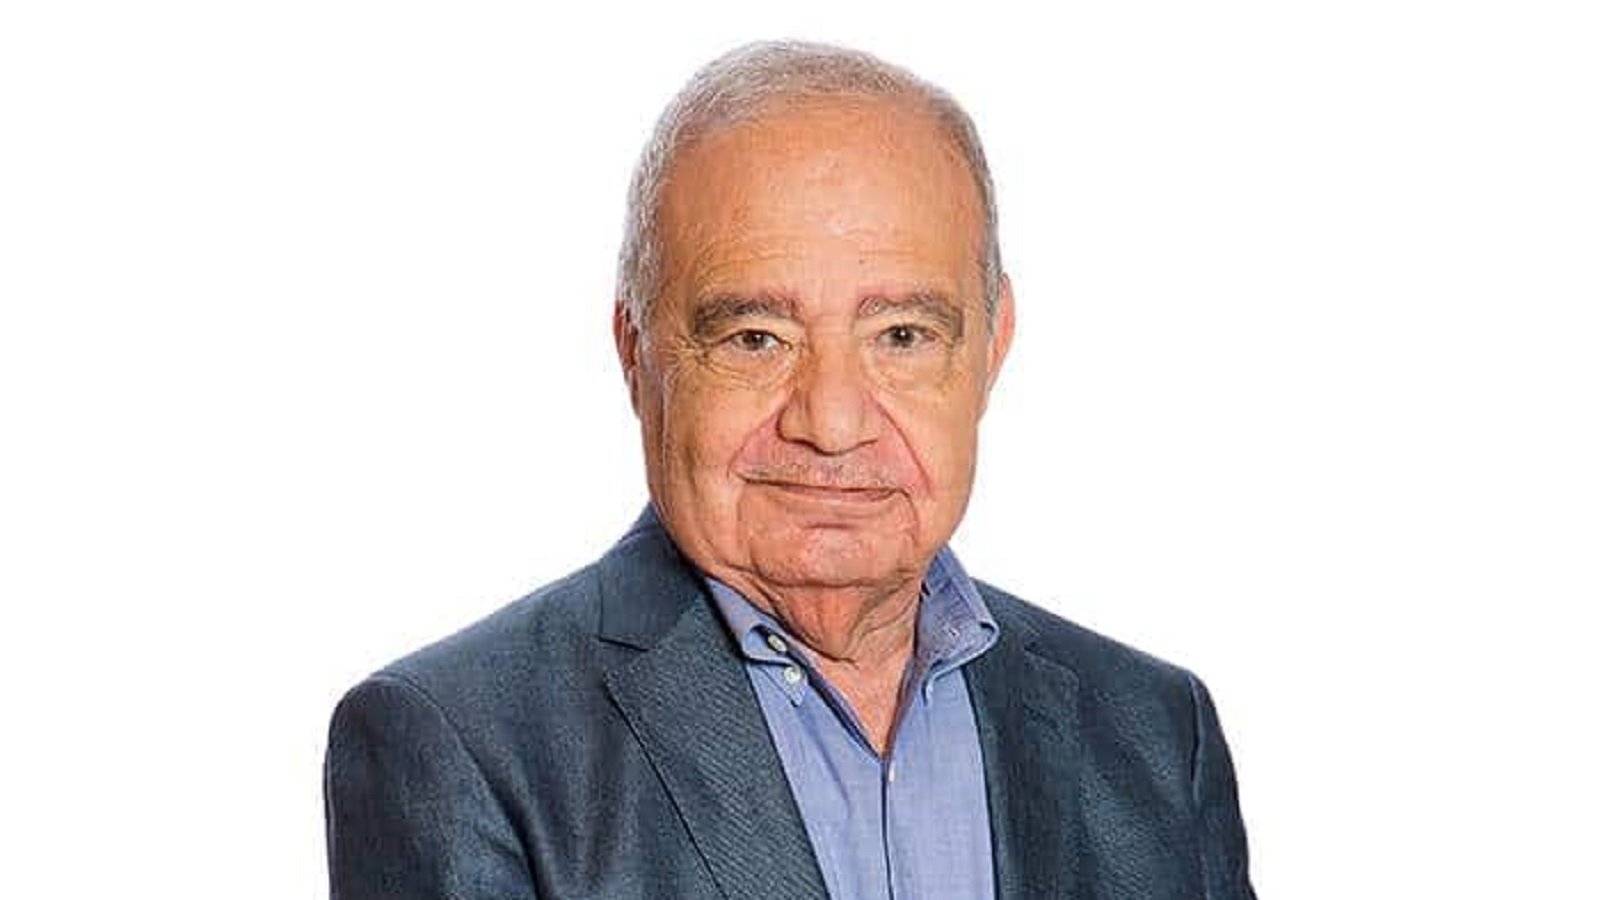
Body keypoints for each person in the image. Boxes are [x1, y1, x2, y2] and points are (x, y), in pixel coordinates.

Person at [324, 40, 1255, 900]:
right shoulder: (458, 746)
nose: (832, 423)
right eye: (756, 337)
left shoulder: (1156, 733)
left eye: (902, 335)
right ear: (637, 352)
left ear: (991, 347)